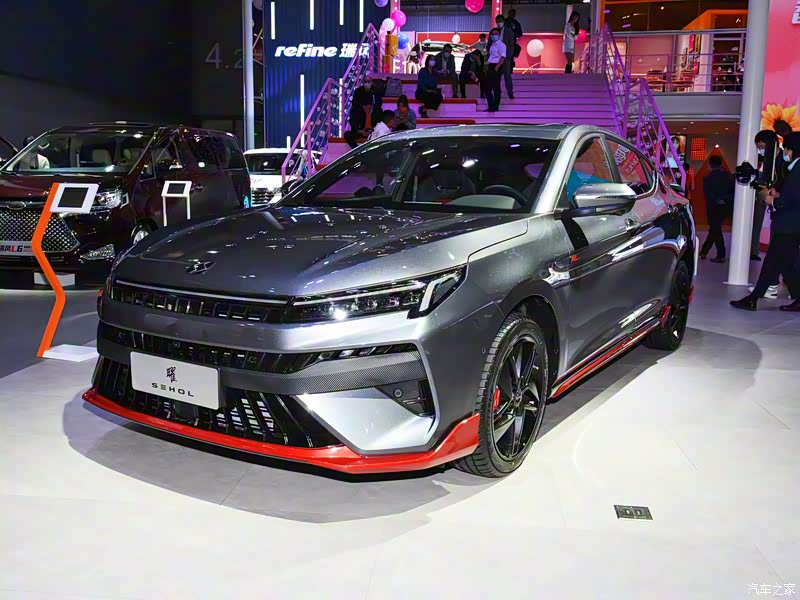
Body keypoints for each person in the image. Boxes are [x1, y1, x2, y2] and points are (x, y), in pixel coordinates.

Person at [731, 133, 800, 312]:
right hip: (789, 225)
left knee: (773, 263)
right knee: (784, 263)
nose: (786, 152)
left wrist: (774, 201)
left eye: (787, 149)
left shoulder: (796, 168)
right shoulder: (793, 168)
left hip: (789, 224)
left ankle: (753, 298)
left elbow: (792, 198)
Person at [700, 154, 734, 263]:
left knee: (716, 230)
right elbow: (732, 191)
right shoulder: (728, 176)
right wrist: (723, 199)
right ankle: (704, 252)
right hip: (725, 207)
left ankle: (720, 255)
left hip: (713, 208)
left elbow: (708, 194)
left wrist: (717, 200)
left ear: (710, 164)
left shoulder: (708, 178)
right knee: (714, 229)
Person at [490, 14, 515, 99]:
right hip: (495, 58)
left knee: (507, 76)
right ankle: (497, 93)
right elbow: (489, 44)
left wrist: (508, 56)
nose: (499, 23)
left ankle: (510, 92)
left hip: (505, 57)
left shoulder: (509, 31)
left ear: (504, 22)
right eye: (497, 22)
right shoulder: (493, 32)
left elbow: (511, 45)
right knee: (496, 76)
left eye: (500, 21)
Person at [485, 27, 506, 113]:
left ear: (499, 35)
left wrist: (497, 67)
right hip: (491, 66)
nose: (494, 35)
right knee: (487, 88)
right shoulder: (492, 44)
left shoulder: (501, 45)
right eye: (492, 34)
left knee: (496, 87)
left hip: (496, 66)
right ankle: (491, 106)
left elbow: (503, 57)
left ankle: (495, 107)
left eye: (496, 34)